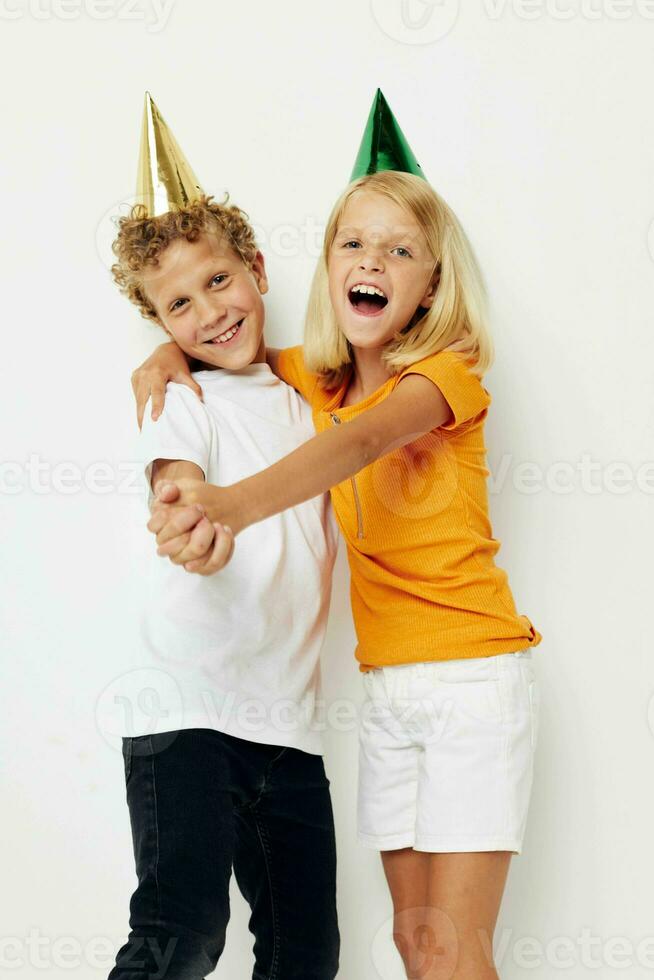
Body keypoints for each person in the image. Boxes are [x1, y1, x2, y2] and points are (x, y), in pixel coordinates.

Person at [135, 90, 543, 979]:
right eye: (353, 242)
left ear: (431, 283)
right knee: (415, 944)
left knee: (460, 951)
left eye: (401, 250)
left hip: (472, 678)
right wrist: (161, 355)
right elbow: (213, 348)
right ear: (325, 267)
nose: (373, 260)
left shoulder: (445, 377)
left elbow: (364, 440)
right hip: (388, 693)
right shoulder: (314, 380)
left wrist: (232, 505)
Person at [106, 93, 339, 980]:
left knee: (304, 949)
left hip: (292, 728)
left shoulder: (311, 393)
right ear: (160, 327)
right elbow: (177, 476)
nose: (207, 312)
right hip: (189, 715)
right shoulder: (181, 400)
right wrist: (188, 514)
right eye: (177, 307)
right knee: (183, 927)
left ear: (259, 270)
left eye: (218, 281)